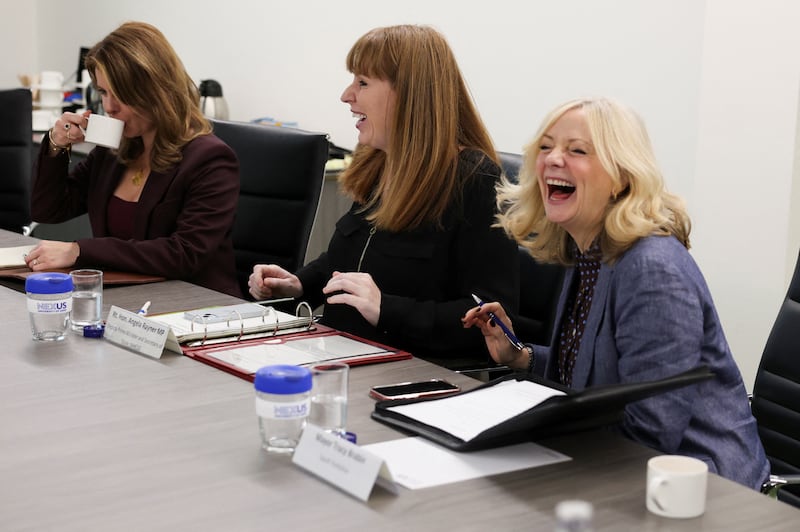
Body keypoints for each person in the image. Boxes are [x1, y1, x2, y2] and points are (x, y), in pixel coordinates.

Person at [462, 97, 769, 489]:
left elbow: (651, 433)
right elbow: (594, 373)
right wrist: (520, 356)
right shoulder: (588, 250)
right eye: (546, 146)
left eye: (577, 150)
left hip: (701, 488)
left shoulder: (651, 268)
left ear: (622, 176)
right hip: (618, 468)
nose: (554, 159)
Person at [249, 25, 518, 367]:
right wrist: (298, 284)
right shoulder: (378, 163)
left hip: (407, 372)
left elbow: (492, 318)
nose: (347, 95)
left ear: (410, 94)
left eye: (363, 82)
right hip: (339, 354)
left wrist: (387, 310)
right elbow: (344, 264)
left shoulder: (473, 178)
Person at [27, 21, 241, 297]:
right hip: (126, 302)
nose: (108, 107)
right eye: (103, 92)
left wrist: (80, 250)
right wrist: (56, 146)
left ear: (155, 89)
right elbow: (48, 210)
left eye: (121, 94)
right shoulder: (114, 150)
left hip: (196, 308)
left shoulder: (211, 159)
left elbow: (184, 253)